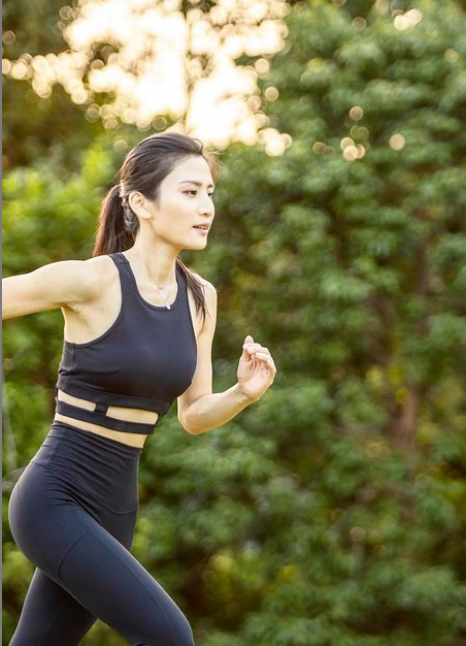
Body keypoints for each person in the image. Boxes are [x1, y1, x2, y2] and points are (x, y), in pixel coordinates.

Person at [2, 131, 277, 646]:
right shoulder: (93, 281)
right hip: (53, 499)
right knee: (171, 636)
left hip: (116, 509)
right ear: (140, 204)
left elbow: (193, 414)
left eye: (210, 192)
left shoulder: (200, 297)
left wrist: (243, 393)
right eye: (190, 192)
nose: (206, 207)